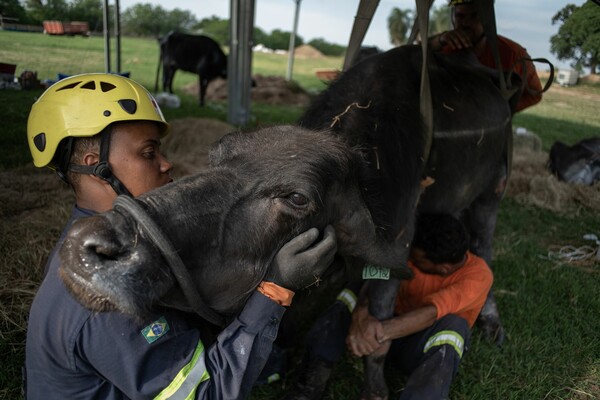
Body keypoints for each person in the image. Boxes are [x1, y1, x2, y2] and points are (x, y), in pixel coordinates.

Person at [24, 73, 337, 400]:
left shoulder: (115, 239)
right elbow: (207, 393)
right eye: (148, 153)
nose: (165, 163)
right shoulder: (104, 289)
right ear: (98, 167)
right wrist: (274, 290)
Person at [287, 213, 493, 400]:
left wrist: (377, 333)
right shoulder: (410, 254)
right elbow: (375, 278)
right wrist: (362, 315)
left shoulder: (478, 276)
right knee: (352, 291)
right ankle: (310, 385)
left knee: (454, 328)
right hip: (375, 325)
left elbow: (430, 314)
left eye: (418, 258)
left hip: (414, 344)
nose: (411, 257)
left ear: (443, 268)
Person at [429, 0, 543, 112]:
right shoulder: (443, 48)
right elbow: (417, 54)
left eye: (474, 16)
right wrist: (440, 40)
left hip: (491, 128)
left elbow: (534, 94)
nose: (465, 23)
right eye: (460, 16)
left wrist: (502, 110)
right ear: (453, 17)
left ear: (487, 19)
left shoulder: (514, 55)